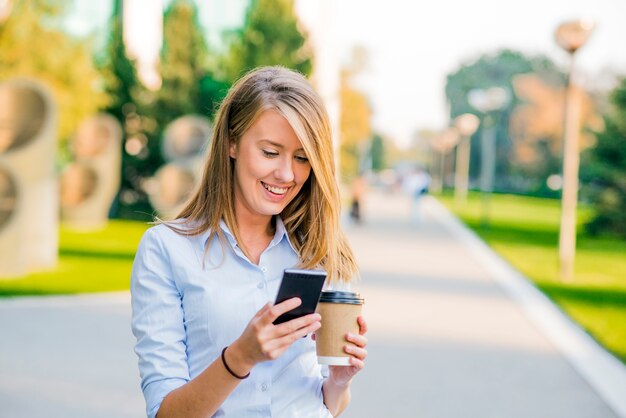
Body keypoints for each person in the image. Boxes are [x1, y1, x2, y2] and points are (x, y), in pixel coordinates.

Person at [130, 66, 368, 418]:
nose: (287, 174)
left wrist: (339, 380)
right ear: (232, 142)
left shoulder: (319, 251)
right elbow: (166, 414)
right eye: (270, 152)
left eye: (302, 158)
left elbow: (325, 403)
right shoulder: (166, 250)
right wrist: (241, 355)